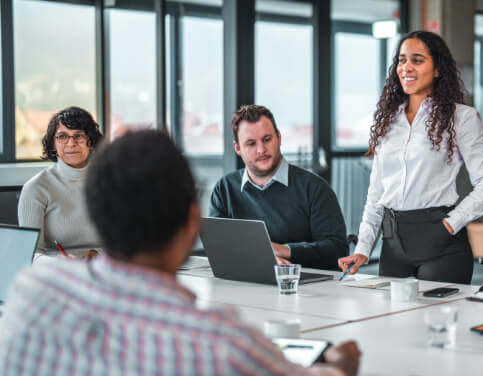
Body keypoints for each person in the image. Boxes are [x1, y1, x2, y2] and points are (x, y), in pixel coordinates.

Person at [0, 130, 361, 375]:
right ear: (192, 221)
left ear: (95, 212)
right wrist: (338, 362)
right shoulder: (223, 347)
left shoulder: (32, 291)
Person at [338, 31, 483, 284]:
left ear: (437, 69)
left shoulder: (462, 118)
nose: (407, 68)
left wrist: (450, 224)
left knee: (437, 322)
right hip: (393, 246)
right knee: (391, 322)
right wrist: (362, 248)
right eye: (402, 60)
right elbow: (377, 194)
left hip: (441, 244)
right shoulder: (387, 121)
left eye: (417, 60)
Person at [210, 105, 348, 270]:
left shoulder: (314, 188)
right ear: (237, 148)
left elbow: (337, 250)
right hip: (242, 285)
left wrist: (285, 250)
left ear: (279, 138)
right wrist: (266, 257)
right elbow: (218, 248)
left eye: (267, 139)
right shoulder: (224, 189)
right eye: (251, 143)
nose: (261, 150)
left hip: (304, 288)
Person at [17, 106, 103, 259]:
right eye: (62, 136)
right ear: (53, 145)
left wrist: (99, 254)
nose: (71, 143)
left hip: (106, 270)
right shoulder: (36, 188)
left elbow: (128, 243)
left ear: (91, 141)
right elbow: (30, 254)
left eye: (79, 136)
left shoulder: (111, 182)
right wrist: (58, 262)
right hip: (57, 274)